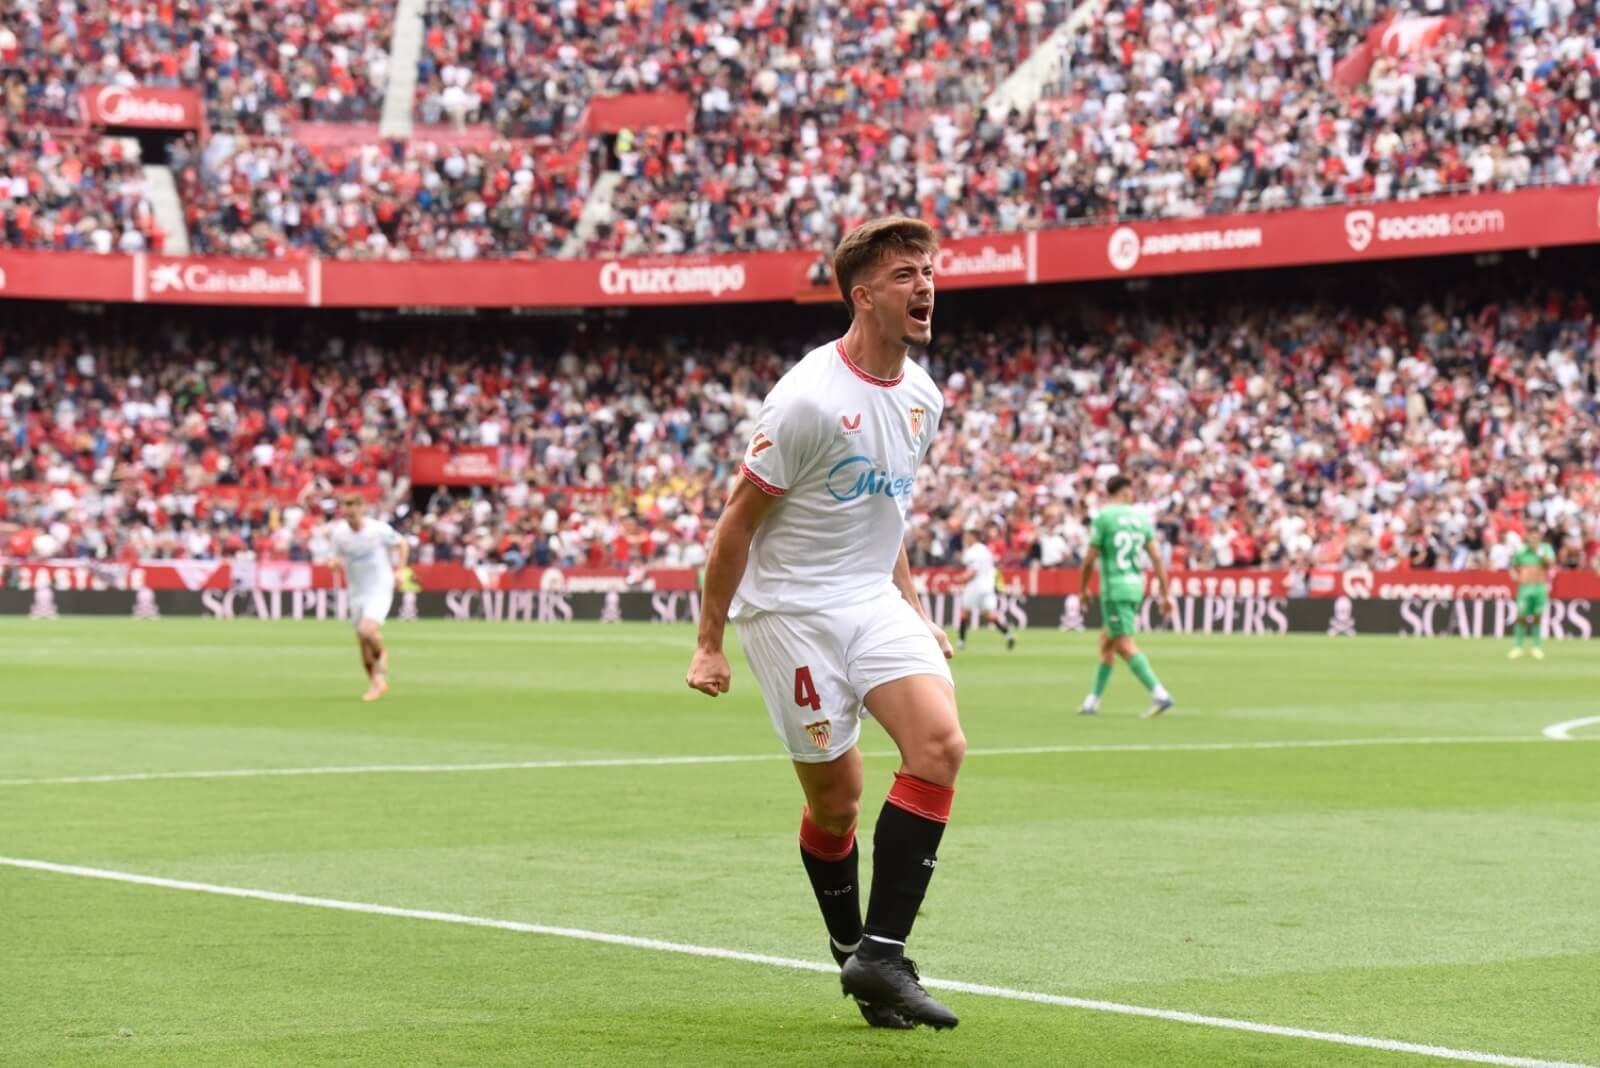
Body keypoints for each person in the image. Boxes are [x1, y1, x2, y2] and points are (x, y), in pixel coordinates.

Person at [685, 216, 964, 1031]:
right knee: (837, 800)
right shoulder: (807, 399)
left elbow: (888, 509)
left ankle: (881, 954)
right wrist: (708, 642)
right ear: (864, 294)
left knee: (939, 745)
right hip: (792, 611)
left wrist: (917, 609)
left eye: (930, 271)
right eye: (907, 274)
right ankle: (857, 955)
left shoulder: (922, 396)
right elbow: (736, 523)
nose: (926, 286)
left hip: (870, 596)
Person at [1078, 475, 1176, 718]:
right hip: (1135, 587)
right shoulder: (1141, 518)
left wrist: (1083, 589)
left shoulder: (1104, 517)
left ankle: (1160, 694)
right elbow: (1156, 558)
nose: (1133, 494)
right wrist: (1165, 593)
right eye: (1130, 490)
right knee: (1106, 641)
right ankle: (1092, 701)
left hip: (1114, 588)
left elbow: (1089, 559)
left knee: (1122, 643)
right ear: (1123, 491)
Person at [329, 494, 408, 701]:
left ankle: (382, 654)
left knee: (367, 630)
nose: (350, 510)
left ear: (362, 508)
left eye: (354, 505)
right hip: (357, 590)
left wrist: (400, 570)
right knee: (362, 641)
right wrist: (334, 563)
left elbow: (402, 544)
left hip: (380, 586)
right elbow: (335, 556)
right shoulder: (339, 534)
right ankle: (376, 682)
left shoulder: (378, 529)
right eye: (346, 506)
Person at [956, 527, 1015, 650]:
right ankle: (1008, 634)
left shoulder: (972, 551)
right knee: (991, 615)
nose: (965, 539)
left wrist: (962, 578)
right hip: (988, 586)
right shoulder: (986, 550)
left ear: (973, 537)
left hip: (976, 585)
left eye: (967, 536)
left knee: (964, 612)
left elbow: (974, 570)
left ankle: (961, 641)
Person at [1508, 527, 1556, 660]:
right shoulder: (1521, 551)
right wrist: (1514, 574)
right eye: (1531, 537)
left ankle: (1536, 646)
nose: (1534, 540)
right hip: (1524, 588)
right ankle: (1518, 646)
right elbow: (1513, 565)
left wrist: (1539, 553)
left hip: (1540, 588)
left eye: (1536, 537)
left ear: (1540, 537)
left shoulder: (1545, 549)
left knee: (1537, 617)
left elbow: (1551, 563)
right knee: (1521, 616)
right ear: (1527, 538)